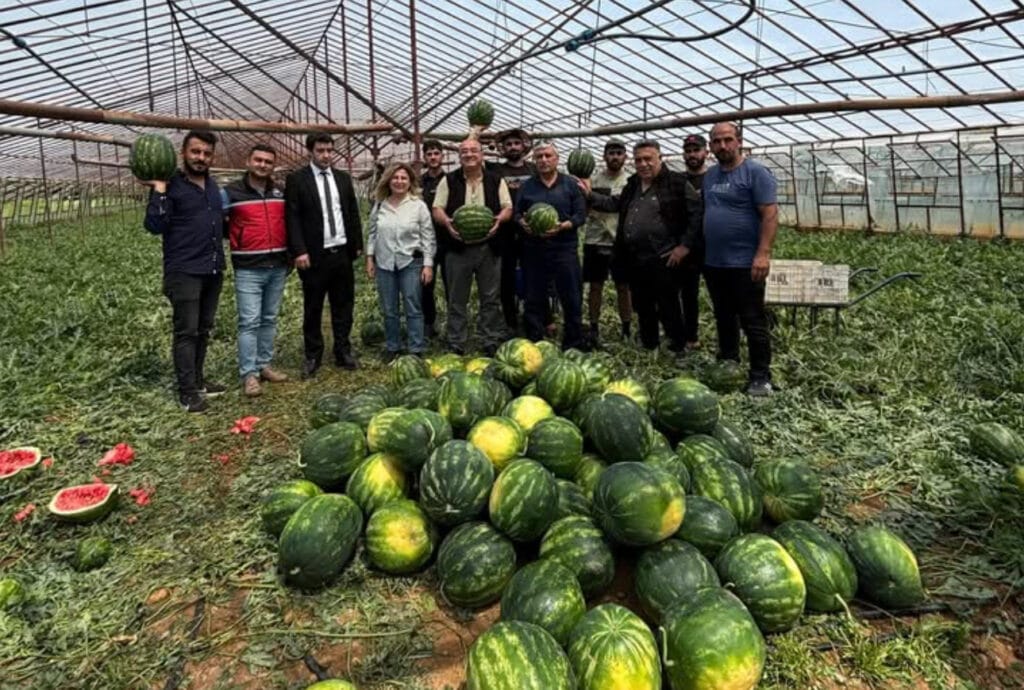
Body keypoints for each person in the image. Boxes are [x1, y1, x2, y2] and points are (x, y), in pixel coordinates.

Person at [582, 140, 700, 353]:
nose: (643, 164)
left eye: (648, 159)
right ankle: (649, 344)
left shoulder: (677, 183)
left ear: (660, 158)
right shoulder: (634, 183)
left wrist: (684, 246)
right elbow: (614, 204)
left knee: (668, 304)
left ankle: (678, 346)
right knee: (643, 304)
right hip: (636, 257)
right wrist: (589, 196)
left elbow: (696, 215)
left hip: (664, 256)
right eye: (639, 160)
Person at [142, 130, 227, 413]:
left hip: (213, 267)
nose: (201, 158)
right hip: (184, 271)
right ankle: (187, 392)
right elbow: (154, 225)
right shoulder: (171, 185)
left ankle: (199, 381)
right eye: (196, 152)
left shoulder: (213, 187)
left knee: (204, 329)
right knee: (186, 332)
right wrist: (159, 190)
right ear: (184, 153)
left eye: (206, 153)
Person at [703, 122, 779, 396]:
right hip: (714, 262)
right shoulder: (710, 176)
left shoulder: (756, 172)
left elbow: (769, 214)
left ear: (739, 141)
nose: (722, 146)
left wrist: (763, 253)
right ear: (711, 146)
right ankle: (729, 363)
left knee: (752, 319)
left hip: (745, 262)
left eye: (727, 140)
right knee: (724, 316)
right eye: (717, 141)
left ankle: (760, 375)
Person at [285, 132, 363, 378]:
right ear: (311, 151)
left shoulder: (342, 178)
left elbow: (351, 211)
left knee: (343, 304)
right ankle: (313, 355)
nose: (327, 155)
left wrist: (357, 244)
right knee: (313, 306)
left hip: (341, 252)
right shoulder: (298, 180)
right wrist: (299, 250)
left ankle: (343, 350)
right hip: (314, 255)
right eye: (321, 150)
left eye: (330, 150)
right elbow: (292, 217)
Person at [432, 138, 512, 356]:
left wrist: (499, 220)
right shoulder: (449, 180)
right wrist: (447, 222)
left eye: (473, 150)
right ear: (459, 156)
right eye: (464, 151)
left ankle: (490, 338)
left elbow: (508, 207)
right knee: (457, 297)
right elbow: (437, 208)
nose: (468, 154)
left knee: (491, 297)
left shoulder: (496, 180)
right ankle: (456, 340)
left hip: (489, 247)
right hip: (458, 247)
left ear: (481, 154)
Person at [222, 144, 289, 397]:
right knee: (249, 321)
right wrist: (240, 238)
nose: (263, 165)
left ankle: (264, 364)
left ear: (273, 165)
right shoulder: (231, 193)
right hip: (248, 267)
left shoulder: (280, 191)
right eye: (258, 160)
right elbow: (217, 222)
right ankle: (249, 374)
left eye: (268, 161)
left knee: (269, 318)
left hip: (277, 264)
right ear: (248, 162)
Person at [514, 140, 587, 350]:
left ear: (557, 159)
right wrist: (523, 223)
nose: (544, 160)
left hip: (564, 248)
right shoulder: (527, 186)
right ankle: (535, 342)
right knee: (533, 297)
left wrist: (564, 225)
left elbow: (581, 215)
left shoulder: (570, 185)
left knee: (571, 297)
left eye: (548, 156)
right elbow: (517, 214)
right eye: (539, 157)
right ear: (534, 160)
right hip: (534, 249)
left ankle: (573, 343)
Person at [365, 162, 436, 361]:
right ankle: (392, 345)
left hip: (410, 262)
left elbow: (428, 236)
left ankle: (416, 347)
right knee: (389, 307)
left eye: (404, 178)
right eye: (395, 178)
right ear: (388, 180)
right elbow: (372, 233)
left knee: (413, 305)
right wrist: (370, 258)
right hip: (384, 262)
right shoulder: (380, 204)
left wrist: (428, 264)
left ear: (410, 182)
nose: (399, 181)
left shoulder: (418, 206)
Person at [581, 139, 632, 347]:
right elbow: (585, 206)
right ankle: (593, 327)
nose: (615, 157)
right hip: (595, 238)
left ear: (625, 157)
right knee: (595, 286)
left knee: (624, 287)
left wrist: (592, 197)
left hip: (620, 241)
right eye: (611, 153)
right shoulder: (593, 180)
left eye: (619, 153)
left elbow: (617, 205)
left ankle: (626, 328)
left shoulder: (631, 181)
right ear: (604, 156)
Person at [486, 128, 537, 335]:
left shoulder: (534, 169)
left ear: (524, 146)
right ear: (503, 149)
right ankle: (510, 321)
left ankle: (536, 318)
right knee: (505, 278)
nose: (513, 147)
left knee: (534, 276)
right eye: (508, 145)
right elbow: (471, 154)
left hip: (531, 231)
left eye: (517, 143)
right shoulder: (496, 171)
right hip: (504, 232)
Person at [678, 133, 709, 351]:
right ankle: (690, 336)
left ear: (705, 152)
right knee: (688, 293)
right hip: (687, 246)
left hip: (712, 245)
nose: (692, 154)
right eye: (688, 151)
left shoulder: (714, 178)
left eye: (696, 150)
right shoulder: (678, 181)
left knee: (722, 293)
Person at [419, 139, 447, 340]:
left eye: (436, 153)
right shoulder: (418, 182)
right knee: (425, 285)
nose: (433, 157)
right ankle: (429, 323)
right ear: (425, 157)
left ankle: (453, 325)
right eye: (429, 154)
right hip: (425, 243)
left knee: (451, 284)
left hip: (448, 240)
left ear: (442, 156)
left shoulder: (452, 180)